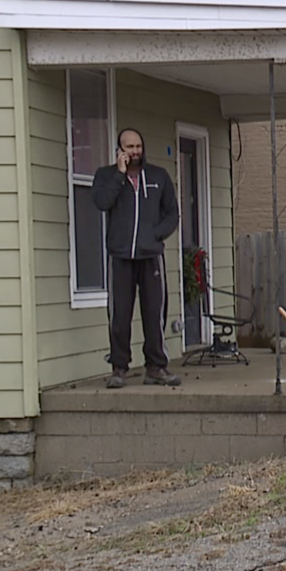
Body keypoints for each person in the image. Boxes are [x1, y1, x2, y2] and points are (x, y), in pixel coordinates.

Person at [92, 128, 181, 388]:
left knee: (154, 313)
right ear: (119, 150)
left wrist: (156, 235)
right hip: (120, 255)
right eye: (129, 147)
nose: (135, 151)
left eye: (138, 146)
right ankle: (119, 367)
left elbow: (172, 213)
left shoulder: (158, 176)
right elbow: (101, 202)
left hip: (150, 255)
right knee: (120, 314)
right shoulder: (105, 176)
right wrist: (119, 176)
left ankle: (156, 367)